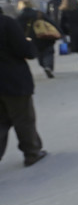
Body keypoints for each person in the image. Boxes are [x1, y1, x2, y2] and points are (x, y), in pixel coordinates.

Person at [0, 11, 47, 167]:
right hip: (12, 79)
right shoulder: (6, 22)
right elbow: (24, 50)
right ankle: (32, 152)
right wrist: (30, 43)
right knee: (23, 118)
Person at [16, 0, 60, 79]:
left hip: (32, 38)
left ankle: (44, 65)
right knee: (49, 52)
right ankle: (48, 67)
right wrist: (59, 32)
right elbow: (51, 22)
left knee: (39, 54)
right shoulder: (39, 13)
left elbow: (18, 29)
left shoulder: (20, 16)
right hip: (45, 36)